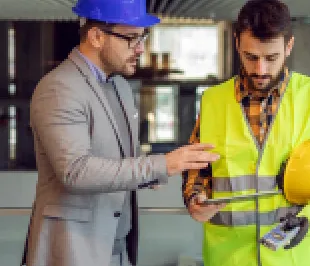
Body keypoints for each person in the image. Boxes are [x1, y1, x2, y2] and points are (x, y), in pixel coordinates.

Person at [21, 0, 219, 266]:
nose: (140, 49)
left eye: (142, 38)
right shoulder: (60, 87)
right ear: (96, 37)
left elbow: (126, 160)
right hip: (73, 250)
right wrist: (162, 164)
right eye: (131, 39)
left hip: (118, 248)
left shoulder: (120, 87)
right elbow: (75, 172)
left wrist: (175, 174)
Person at [182, 0, 310, 266]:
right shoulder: (212, 101)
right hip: (228, 259)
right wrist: (195, 198)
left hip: (297, 258)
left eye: (271, 58)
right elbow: (196, 169)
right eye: (251, 57)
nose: (261, 70)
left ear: (289, 46)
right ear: (237, 43)